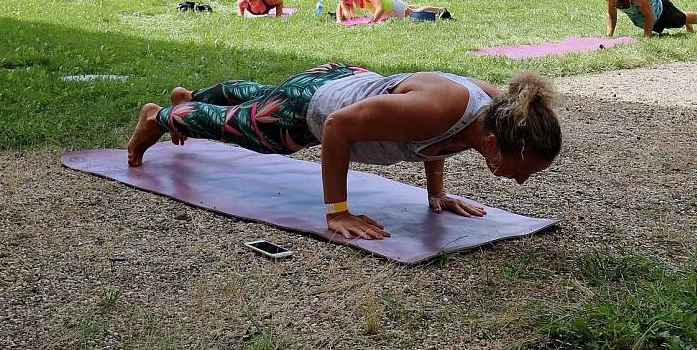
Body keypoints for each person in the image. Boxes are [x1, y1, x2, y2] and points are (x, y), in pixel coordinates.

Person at [127, 63, 562, 240]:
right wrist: (337, 211)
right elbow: (337, 129)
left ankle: (193, 95)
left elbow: (445, 137)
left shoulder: (490, 111)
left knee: (262, 98)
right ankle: (159, 117)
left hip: (337, 80)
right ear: (492, 145)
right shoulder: (440, 108)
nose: (522, 180)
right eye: (523, 170)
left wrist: (437, 193)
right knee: (247, 131)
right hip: (312, 110)